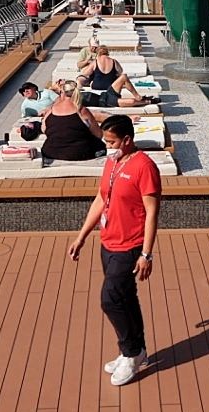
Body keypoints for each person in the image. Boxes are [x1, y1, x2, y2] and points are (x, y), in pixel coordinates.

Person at [67, 114, 161, 387]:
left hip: (130, 246)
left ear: (128, 140)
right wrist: (82, 236)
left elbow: (153, 212)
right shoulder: (112, 162)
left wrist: (146, 254)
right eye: (106, 141)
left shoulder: (145, 167)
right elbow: (101, 198)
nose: (108, 147)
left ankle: (131, 353)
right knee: (126, 298)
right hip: (107, 241)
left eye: (112, 142)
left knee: (110, 300)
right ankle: (135, 350)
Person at [39, 83, 106, 162]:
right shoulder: (82, 111)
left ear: (62, 93)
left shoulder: (51, 110)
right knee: (100, 146)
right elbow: (98, 135)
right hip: (80, 153)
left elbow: (43, 129)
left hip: (51, 153)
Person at [78, 46, 152, 108]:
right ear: (107, 53)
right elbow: (120, 71)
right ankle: (137, 96)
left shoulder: (95, 62)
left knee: (90, 81)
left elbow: (85, 73)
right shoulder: (113, 61)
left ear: (98, 53)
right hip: (109, 85)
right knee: (123, 77)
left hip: (97, 86)